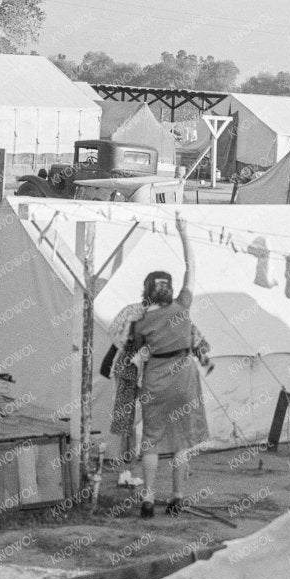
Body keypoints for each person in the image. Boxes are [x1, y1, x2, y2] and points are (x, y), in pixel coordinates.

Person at [122, 219, 215, 519]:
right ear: (170, 290)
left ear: (147, 291)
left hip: (156, 379)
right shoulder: (183, 307)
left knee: (150, 440)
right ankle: (177, 498)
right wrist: (183, 231)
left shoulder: (141, 320)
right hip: (184, 377)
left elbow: (134, 350)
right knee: (181, 442)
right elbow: (193, 267)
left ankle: (148, 499)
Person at [100, 301, 146, 488]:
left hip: (128, 373)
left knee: (128, 424)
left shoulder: (132, 315)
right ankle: (125, 472)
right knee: (126, 424)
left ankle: (126, 471)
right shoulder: (139, 322)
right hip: (130, 374)